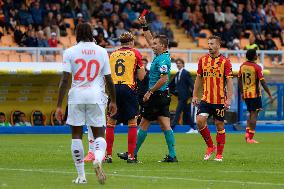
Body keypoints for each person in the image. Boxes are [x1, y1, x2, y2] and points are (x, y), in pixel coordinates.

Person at [55, 23, 117, 185]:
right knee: (99, 134)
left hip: (76, 96)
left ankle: (81, 176)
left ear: (77, 34)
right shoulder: (102, 51)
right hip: (95, 96)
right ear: (91, 34)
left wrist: (59, 105)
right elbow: (108, 79)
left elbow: (65, 80)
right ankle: (97, 159)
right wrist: (113, 100)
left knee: (76, 135)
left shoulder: (69, 52)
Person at [118, 16, 178, 163]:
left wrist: (149, 91)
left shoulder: (163, 59)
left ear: (163, 46)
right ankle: (172, 155)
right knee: (165, 124)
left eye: (156, 44)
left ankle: (132, 153)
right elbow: (150, 40)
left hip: (156, 95)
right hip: (162, 95)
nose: (152, 45)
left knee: (144, 123)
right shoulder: (161, 55)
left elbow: (164, 78)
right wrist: (145, 26)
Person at [105, 32, 145, 163]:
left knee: (111, 122)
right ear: (132, 42)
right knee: (132, 122)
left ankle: (108, 155)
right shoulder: (135, 53)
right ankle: (131, 156)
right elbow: (141, 77)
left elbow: (107, 75)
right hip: (128, 88)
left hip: (114, 88)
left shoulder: (113, 54)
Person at [192, 35, 233, 162]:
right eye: (208, 43)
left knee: (219, 125)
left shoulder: (225, 62)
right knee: (199, 121)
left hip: (220, 100)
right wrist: (194, 95)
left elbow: (229, 81)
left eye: (212, 44)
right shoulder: (202, 60)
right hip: (206, 98)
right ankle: (210, 146)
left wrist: (229, 99)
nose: (209, 46)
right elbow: (198, 78)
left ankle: (219, 154)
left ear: (218, 45)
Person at [238, 49, 273, 144]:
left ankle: (247, 134)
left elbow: (240, 80)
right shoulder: (257, 67)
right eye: (256, 54)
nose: (257, 55)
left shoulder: (242, 66)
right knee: (254, 114)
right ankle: (250, 138)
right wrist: (269, 94)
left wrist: (242, 93)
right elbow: (263, 82)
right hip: (255, 94)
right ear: (254, 56)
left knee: (251, 113)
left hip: (246, 94)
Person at [169, 58, 197, 133]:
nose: (178, 64)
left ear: (183, 64)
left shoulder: (186, 73)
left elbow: (191, 84)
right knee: (187, 113)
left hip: (184, 97)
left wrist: (194, 95)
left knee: (178, 112)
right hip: (180, 97)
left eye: (179, 63)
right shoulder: (177, 74)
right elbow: (170, 85)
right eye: (177, 63)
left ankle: (172, 128)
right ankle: (194, 129)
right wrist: (174, 93)